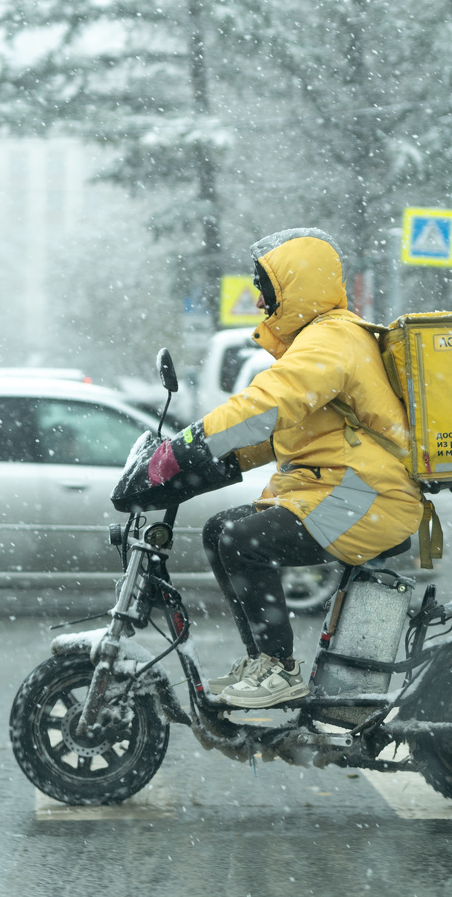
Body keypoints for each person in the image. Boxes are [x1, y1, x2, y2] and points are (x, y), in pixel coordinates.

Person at [144, 229, 423, 708]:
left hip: (369, 495)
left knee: (242, 541)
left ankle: (278, 669)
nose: (257, 301)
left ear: (295, 287)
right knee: (219, 530)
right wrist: (216, 463)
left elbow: (270, 402)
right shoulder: (321, 339)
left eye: (265, 289)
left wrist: (189, 444)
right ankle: (263, 663)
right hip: (341, 490)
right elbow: (285, 433)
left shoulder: (332, 338)